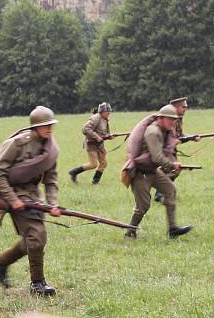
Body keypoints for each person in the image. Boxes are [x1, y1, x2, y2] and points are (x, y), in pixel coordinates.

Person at [0, 106, 62, 296]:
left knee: (32, 238)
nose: (50, 129)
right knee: (37, 237)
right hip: (11, 193)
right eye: (45, 125)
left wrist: (52, 203)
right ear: (35, 126)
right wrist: (13, 199)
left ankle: (0, 262)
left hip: (33, 195)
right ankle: (37, 283)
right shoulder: (17, 144)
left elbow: (51, 179)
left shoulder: (50, 148)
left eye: (51, 125)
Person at [124, 104, 192, 239]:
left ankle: (172, 229)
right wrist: (172, 165)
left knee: (170, 189)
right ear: (161, 118)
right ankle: (130, 231)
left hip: (152, 170)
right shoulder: (153, 132)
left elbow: (165, 152)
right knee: (143, 206)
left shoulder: (165, 131)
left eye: (174, 120)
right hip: (140, 173)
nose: (173, 123)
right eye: (170, 120)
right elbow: (157, 157)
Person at [153, 97, 199, 203]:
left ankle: (162, 192)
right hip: (164, 149)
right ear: (177, 107)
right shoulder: (170, 119)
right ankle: (160, 191)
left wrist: (192, 137)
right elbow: (169, 137)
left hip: (170, 150)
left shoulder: (178, 119)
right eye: (184, 107)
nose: (186, 109)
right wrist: (174, 141)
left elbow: (180, 136)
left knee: (173, 170)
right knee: (173, 170)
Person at [68, 102, 112, 184]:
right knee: (93, 164)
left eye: (109, 111)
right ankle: (74, 172)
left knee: (103, 163)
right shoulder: (95, 118)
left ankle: (95, 181)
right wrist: (97, 137)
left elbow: (104, 133)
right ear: (102, 111)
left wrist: (109, 136)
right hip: (91, 143)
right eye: (107, 111)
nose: (109, 113)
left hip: (99, 144)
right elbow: (85, 129)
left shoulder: (105, 120)